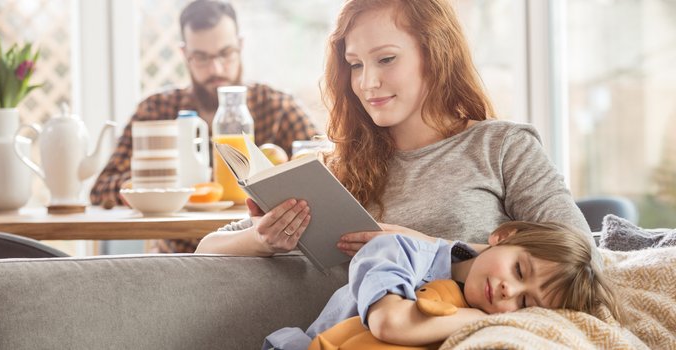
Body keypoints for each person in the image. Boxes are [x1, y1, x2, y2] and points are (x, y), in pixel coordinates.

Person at [195, 0, 590, 256]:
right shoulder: (337, 170)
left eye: (385, 59)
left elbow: (580, 254)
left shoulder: (502, 147)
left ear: (435, 55)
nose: (367, 83)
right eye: (355, 64)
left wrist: (430, 249)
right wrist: (262, 238)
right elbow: (207, 249)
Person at [90, 0, 320, 252]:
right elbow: (102, 188)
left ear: (240, 46)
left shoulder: (276, 108)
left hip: (259, 259)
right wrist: (170, 186)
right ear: (184, 54)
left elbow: (325, 168)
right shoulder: (157, 110)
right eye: (201, 57)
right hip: (178, 258)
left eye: (225, 53)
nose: (216, 68)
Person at [263, 221, 621, 349]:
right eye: (518, 270)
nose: (508, 291)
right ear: (504, 236)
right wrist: (500, 319)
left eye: (526, 304)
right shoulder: (400, 251)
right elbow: (390, 323)